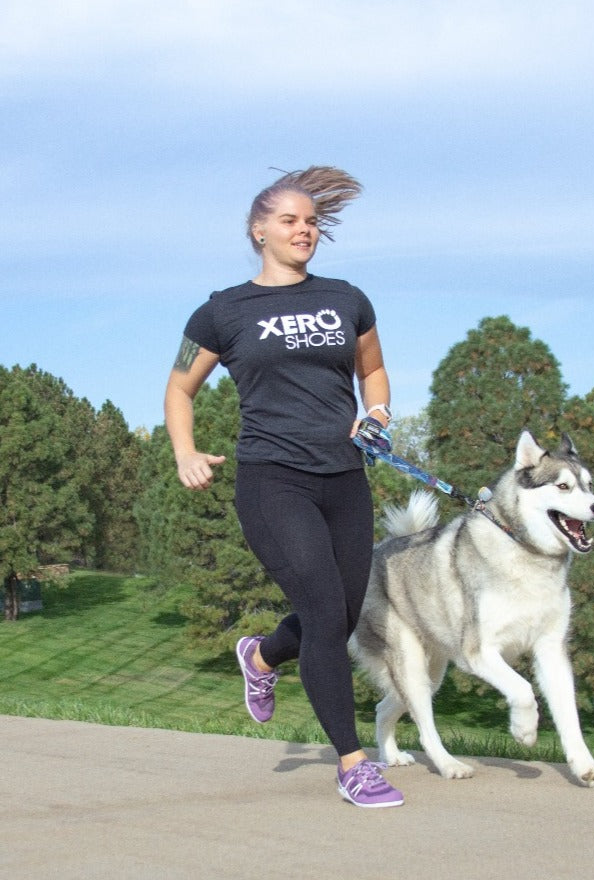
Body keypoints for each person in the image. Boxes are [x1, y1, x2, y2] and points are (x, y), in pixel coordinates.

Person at [164, 166, 403, 808]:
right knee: (325, 613)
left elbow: (373, 371)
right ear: (259, 230)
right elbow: (181, 386)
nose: (305, 230)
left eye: (312, 221)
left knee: (343, 616)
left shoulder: (347, 298)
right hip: (273, 480)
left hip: (345, 478)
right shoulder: (223, 311)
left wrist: (376, 413)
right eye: (291, 220)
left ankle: (263, 656)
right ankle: (353, 763)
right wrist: (185, 452)